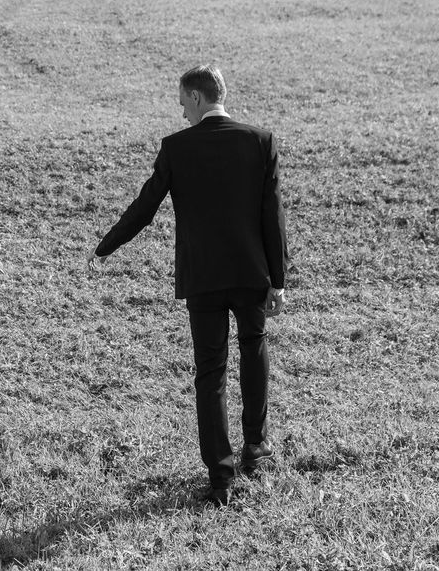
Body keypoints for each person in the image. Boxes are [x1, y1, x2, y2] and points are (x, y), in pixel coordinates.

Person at [87, 65, 288, 506]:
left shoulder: (177, 149)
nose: (181, 112)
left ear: (197, 98)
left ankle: (221, 477)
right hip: (251, 273)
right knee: (254, 347)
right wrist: (278, 279)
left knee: (210, 372)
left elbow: (144, 208)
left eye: (182, 103)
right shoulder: (260, 140)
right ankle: (256, 446)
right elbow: (272, 216)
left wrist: (105, 247)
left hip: (203, 277)